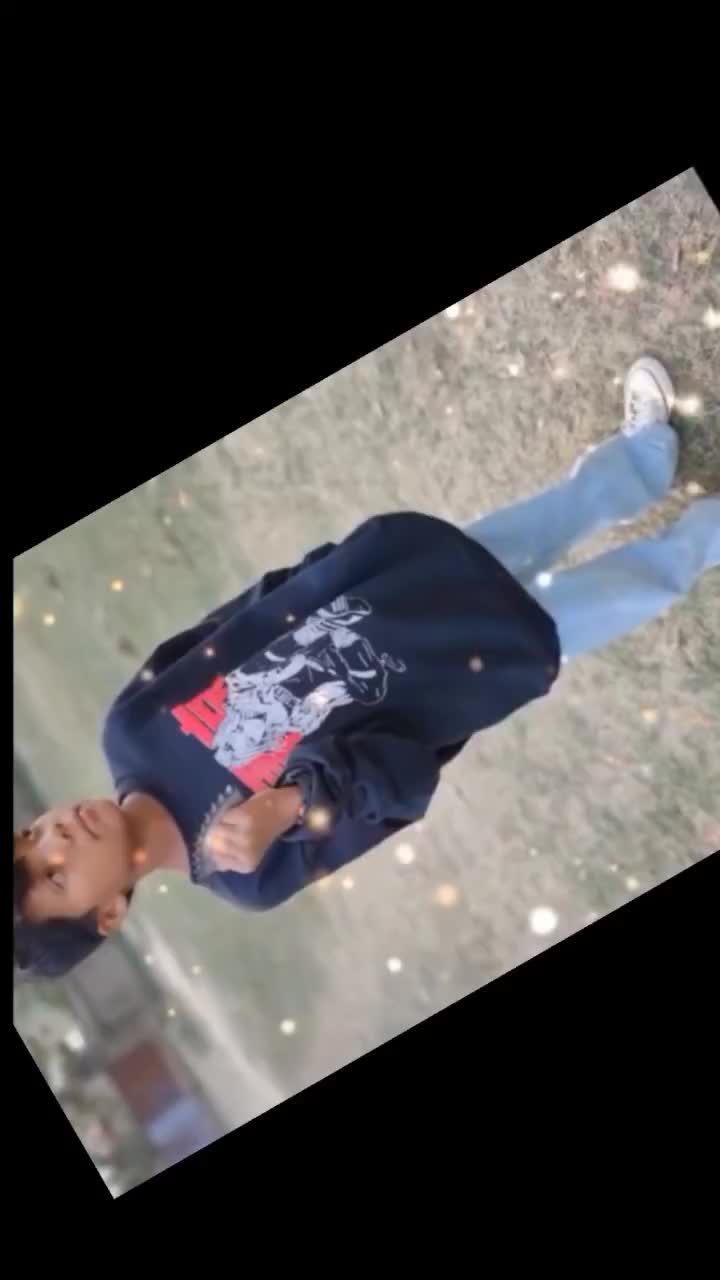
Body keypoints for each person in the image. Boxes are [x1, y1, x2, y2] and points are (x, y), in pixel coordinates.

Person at [14, 356, 719, 979]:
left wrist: (337, 566)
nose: (56, 839)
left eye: (30, 836)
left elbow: (240, 620)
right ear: (108, 915)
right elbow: (404, 782)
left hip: (398, 586)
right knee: (643, 581)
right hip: (466, 673)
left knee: (549, 518)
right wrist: (289, 806)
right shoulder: (252, 876)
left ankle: (643, 459)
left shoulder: (131, 728)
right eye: (54, 876)